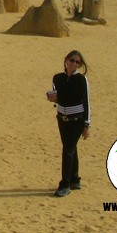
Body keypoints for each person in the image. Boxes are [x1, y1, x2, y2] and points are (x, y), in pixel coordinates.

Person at [46, 50, 90, 197]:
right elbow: (59, 97)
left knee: (68, 149)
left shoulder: (81, 80)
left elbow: (87, 103)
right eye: (72, 60)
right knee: (70, 148)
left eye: (77, 62)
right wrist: (53, 99)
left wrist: (87, 125)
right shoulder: (57, 78)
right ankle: (75, 179)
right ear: (66, 60)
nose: (74, 64)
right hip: (62, 119)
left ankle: (65, 184)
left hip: (77, 119)